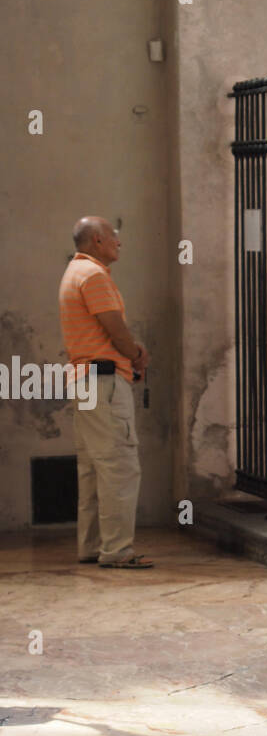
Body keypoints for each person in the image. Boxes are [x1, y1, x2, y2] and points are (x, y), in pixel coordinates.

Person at [58, 217, 153, 569]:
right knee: (119, 465)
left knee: (93, 467)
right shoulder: (94, 276)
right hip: (104, 383)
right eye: (114, 237)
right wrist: (137, 354)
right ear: (97, 240)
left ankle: (91, 544)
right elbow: (114, 328)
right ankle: (116, 550)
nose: (119, 243)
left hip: (83, 381)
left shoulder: (73, 273)